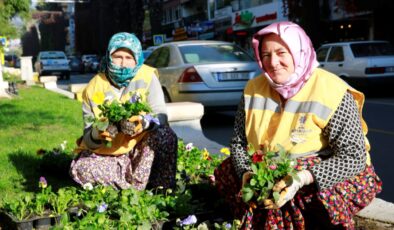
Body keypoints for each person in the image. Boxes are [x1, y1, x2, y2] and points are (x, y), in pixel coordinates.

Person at [214, 21, 382, 229]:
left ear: (299, 51)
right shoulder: (253, 88)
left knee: (288, 191)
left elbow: (353, 156)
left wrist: (301, 178)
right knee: (230, 172)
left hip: (324, 170)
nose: (273, 62)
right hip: (269, 166)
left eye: (281, 52)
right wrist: (247, 173)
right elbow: (239, 142)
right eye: (265, 55)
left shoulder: (331, 90)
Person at [70, 32, 177, 190]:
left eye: (129, 58)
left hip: (140, 152)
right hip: (107, 155)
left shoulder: (147, 76)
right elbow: (88, 139)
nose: (123, 63)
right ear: (108, 56)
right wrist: (97, 133)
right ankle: (133, 190)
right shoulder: (93, 87)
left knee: (166, 136)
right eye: (118, 56)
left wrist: (144, 123)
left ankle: (160, 189)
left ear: (137, 59)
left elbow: (160, 115)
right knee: (83, 168)